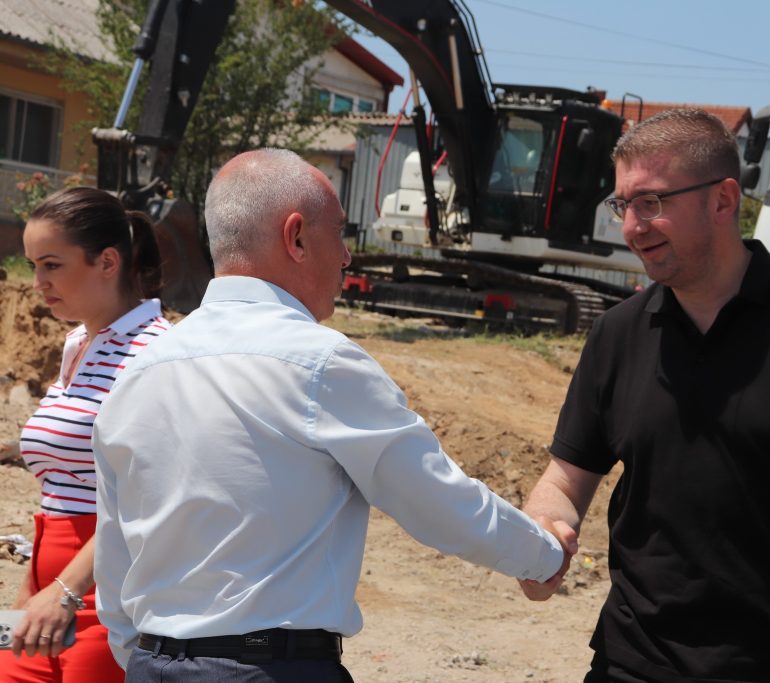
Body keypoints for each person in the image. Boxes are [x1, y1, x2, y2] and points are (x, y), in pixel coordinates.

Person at [91, 148, 576, 682]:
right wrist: (544, 557)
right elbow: (435, 500)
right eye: (340, 233)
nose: (346, 257)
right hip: (268, 670)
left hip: (153, 666)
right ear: (296, 237)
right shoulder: (321, 364)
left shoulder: (137, 375)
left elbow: (115, 555)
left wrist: (146, 656)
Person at [519, 109, 770, 683]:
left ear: (723, 200)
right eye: (623, 205)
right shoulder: (616, 334)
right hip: (633, 665)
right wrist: (542, 530)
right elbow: (565, 480)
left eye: (651, 202)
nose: (632, 226)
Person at [0, 187, 169, 683]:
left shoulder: (157, 353)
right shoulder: (76, 343)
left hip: (108, 597)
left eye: (52, 265)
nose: (38, 283)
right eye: (33, 266)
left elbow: (145, 496)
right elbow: (59, 488)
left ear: (108, 262)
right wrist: (29, 593)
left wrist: (66, 591)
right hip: (46, 588)